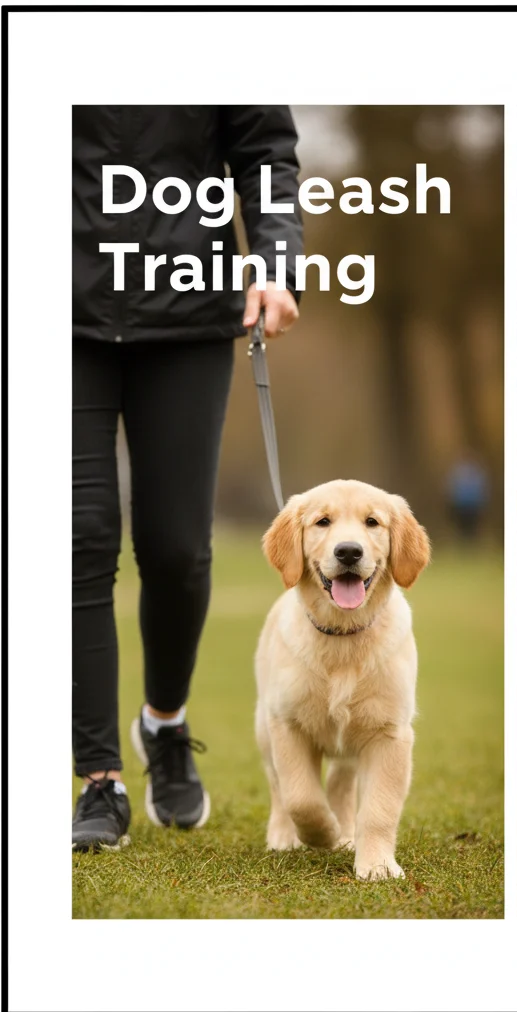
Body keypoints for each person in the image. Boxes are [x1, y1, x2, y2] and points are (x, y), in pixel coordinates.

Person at [71, 106, 303, 851]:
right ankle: (99, 779)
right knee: (80, 538)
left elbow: (265, 149)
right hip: (60, 314)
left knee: (175, 547)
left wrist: (274, 259)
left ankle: (163, 724)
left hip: (188, 310)